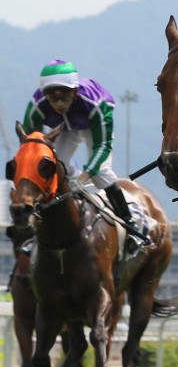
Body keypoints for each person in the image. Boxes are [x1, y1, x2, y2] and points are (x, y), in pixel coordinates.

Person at [22, 60, 140, 247]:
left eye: (65, 98)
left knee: (101, 172)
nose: (59, 104)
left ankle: (131, 223)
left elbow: (103, 146)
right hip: (67, 127)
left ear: (74, 93)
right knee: (54, 164)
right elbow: (32, 147)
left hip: (93, 124)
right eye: (53, 99)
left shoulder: (93, 103)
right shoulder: (36, 107)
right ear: (45, 96)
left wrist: (83, 179)